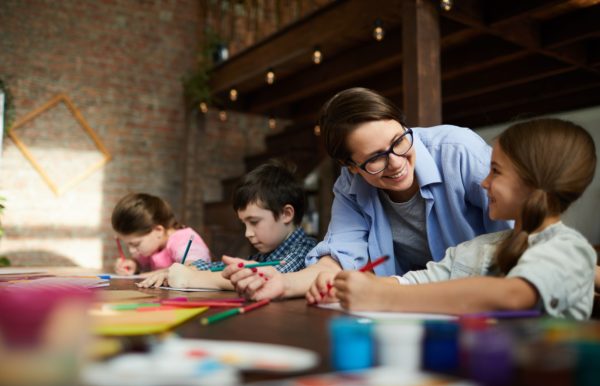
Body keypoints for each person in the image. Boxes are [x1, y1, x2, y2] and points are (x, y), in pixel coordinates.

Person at [226, 87, 511, 301]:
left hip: (488, 298)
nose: (397, 162)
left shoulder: (459, 152)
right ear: (350, 167)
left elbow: (520, 234)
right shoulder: (350, 188)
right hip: (411, 304)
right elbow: (337, 259)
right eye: (375, 158)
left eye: (399, 140)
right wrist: (283, 283)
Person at [332, 118, 597, 319]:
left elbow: (513, 295)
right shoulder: (480, 248)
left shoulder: (567, 249)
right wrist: (360, 286)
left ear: (532, 181)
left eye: (495, 171)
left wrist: (384, 296)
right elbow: (420, 280)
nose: (483, 182)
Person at [138, 160, 317, 290]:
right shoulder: (267, 254)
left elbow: (266, 278)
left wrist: (192, 278)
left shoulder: (305, 251)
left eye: (254, 222)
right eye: (244, 224)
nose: (248, 233)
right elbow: (221, 268)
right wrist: (182, 269)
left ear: (286, 214)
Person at [111, 193, 210, 276]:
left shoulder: (183, 239)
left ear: (158, 230)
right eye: (128, 244)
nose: (131, 250)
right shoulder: (152, 246)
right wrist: (133, 265)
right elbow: (142, 264)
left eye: (136, 244)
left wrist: (147, 275)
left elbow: (196, 267)